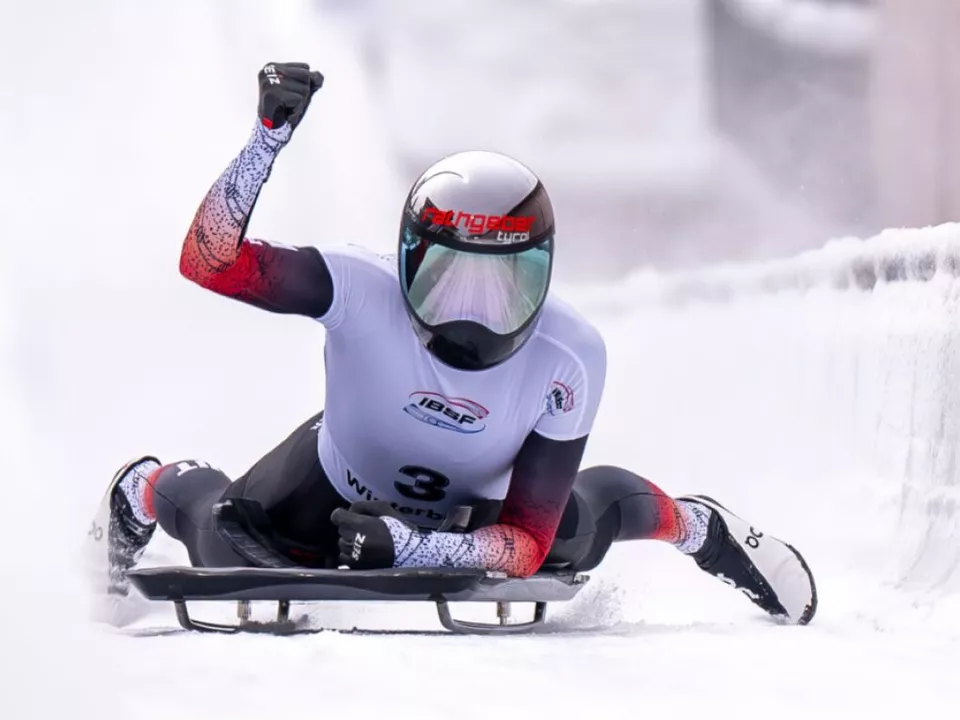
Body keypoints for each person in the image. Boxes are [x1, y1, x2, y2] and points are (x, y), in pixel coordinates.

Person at [86, 62, 817, 626]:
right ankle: (143, 486)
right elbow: (210, 261)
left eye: (500, 286)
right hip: (334, 485)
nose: (471, 315)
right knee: (225, 543)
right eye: (449, 280)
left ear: (543, 274)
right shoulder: (355, 285)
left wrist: (411, 549)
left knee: (575, 534)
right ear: (405, 260)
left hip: (478, 511)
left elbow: (526, 544)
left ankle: (701, 526)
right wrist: (265, 140)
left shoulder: (571, 355)